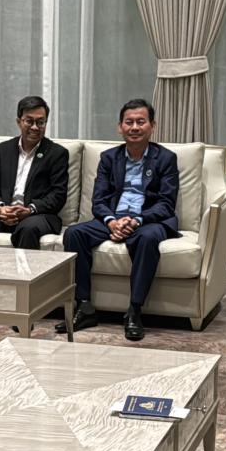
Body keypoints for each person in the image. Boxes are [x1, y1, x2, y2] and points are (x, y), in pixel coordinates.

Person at [57, 98, 179, 342]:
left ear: (152, 126)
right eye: (129, 122)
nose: (134, 127)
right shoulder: (109, 158)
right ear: (120, 127)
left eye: (140, 122)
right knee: (74, 233)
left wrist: (136, 221)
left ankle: (134, 311)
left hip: (147, 221)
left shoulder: (165, 158)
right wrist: (112, 221)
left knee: (147, 239)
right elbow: (99, 200)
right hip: (114, 218)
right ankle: (84, 306)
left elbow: (166, 203)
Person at [0, 95, 69, 250]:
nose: (35, 127)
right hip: (4, 213)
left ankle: (23, 268)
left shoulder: (56, 153)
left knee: (27, 229)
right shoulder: (3, 150)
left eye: (40, 122)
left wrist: (30, 209)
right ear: (19, 122)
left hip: (37, 215)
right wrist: (1, 208)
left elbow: (58, 195)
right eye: (29, 121)